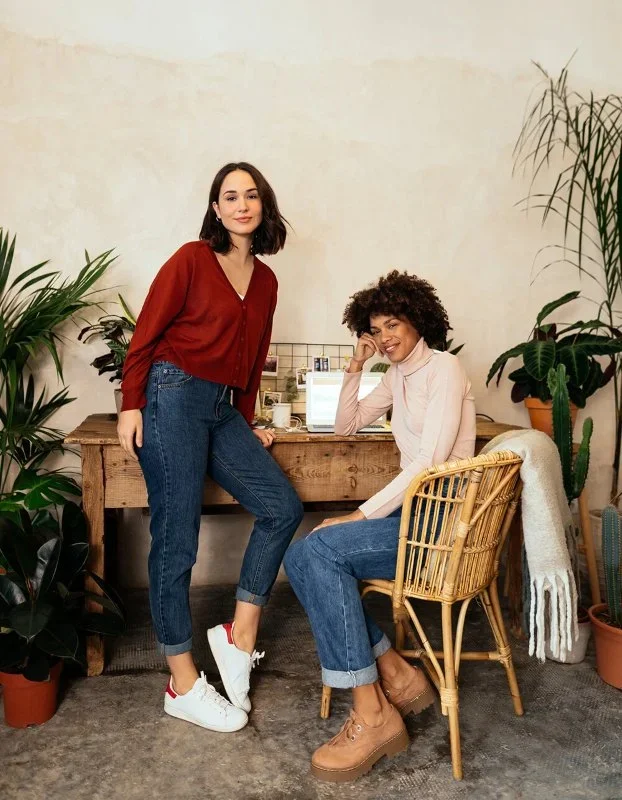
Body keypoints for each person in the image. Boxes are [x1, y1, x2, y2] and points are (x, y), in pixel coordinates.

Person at [117, 162, 304, 733]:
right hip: (171, 395)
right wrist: (131, 403)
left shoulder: (267, 281)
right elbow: (146, 331)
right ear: (216, 209)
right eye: (231, 196)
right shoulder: (192, 260)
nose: (242, 204)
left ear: (264, 206)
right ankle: (183, 682)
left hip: (222, 407)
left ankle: (237, 635)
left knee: (281, 506)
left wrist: (243, 423)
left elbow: (251, 359)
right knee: (177, 540)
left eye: (252, 195)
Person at [284, 270, 476, 782]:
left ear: (418, 320)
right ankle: (394, 675)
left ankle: (373, 713)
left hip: (441, 528)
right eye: (377, 329)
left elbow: (429, 463)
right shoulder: (396, 376)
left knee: (316, 550)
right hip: (415, 519)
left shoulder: (445, 369)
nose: (387, 337)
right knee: (304, 553)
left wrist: (360, 513)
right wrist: (356, 368)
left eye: (394, 324)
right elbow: (344, 426)